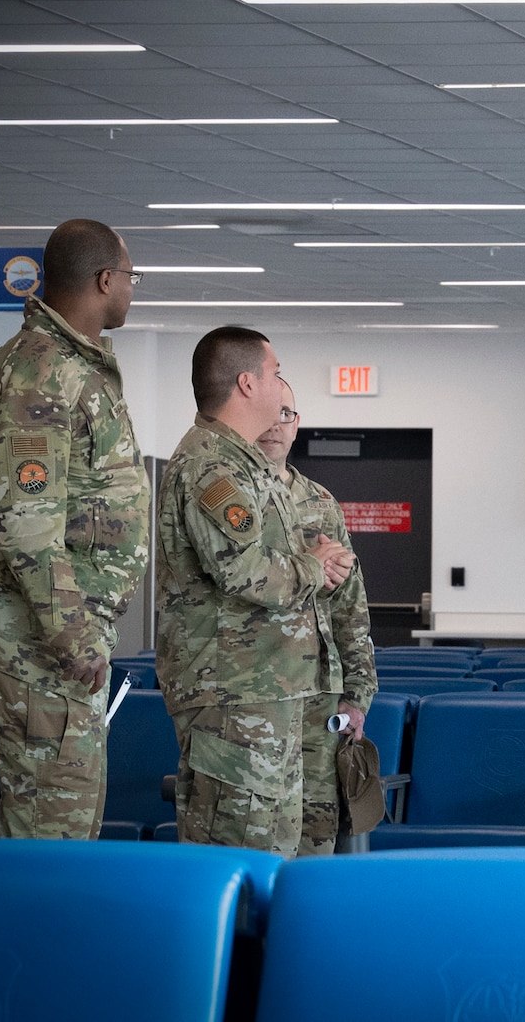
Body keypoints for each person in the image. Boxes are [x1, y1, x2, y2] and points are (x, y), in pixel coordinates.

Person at [0, 218, 149, 840]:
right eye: (129, 276)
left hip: (60, 632)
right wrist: (74, 634)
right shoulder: (37, 375)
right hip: (41, 636)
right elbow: (26, 522)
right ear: (102, 280)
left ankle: (40, 933)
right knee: (47, 817)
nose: (131, 287)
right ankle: (18, 936)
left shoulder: (71, 366)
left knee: (67, 806)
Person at [154, 326, 353, 856]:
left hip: (263, 693)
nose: (280, 382)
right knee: (241, 852)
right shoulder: (212, 466)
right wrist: (313, 566)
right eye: (275, 372)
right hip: (231, 697)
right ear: (247, 383)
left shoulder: (244, 464)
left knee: (279, 851)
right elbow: (242, 569)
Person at [253, 376, 378, 855]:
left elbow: (351, 607)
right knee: (261, 837)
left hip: (321, 697)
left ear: (297, 424)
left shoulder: (322, 503)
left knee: (316, 836)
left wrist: (358, 693)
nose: (275, 425)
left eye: (286, 414)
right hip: (261, 688)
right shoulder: (236, 498)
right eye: (267, 413)